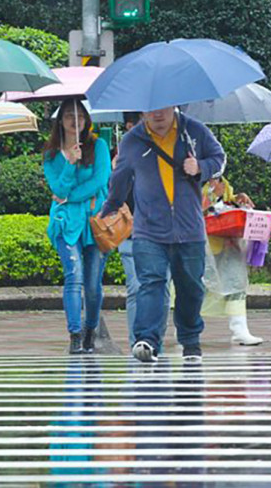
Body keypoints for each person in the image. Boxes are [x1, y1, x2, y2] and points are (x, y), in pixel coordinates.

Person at [101, 107, 226, 363]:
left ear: (174, 105)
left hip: (189, 228)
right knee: (151, 283)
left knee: (191, 287)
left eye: (162, 108)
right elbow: (120, 178)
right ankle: (146, 339)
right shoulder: (133, 140)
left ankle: (190, 341)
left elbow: (219, 158)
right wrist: (110, 208)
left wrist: (200, 166)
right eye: (150, 110)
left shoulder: (194, 131)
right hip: (148, 230)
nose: (157, 114)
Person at [43, 98, 111, 355]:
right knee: (74, 276)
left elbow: (100, 181)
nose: (76, 121)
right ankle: (74, 334)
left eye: (80, 116)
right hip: (65, 224)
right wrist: (70, 163)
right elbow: (57, 188)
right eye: (70, 116)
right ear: (61, 121)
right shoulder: (51, 155)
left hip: (95, 224)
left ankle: (90, 331)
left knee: (92, 285)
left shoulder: (99, 146)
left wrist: (71, 197)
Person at [113, 112, 171, 349]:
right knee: (137, 288)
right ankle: (137, 342)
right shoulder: (116, 158)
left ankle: (155, 340)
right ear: (130, 126)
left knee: (163, 289)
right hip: (130, 234)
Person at [201, 176, 262, 345]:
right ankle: (185, 328)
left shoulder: (224, 184)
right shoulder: (193, 180)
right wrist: (209, 199)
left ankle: (240, 330)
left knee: (236, 284)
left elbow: (228, 203)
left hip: (229, 246)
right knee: (196, 288)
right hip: (204, 247)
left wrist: (238, 202)